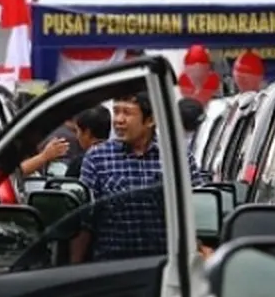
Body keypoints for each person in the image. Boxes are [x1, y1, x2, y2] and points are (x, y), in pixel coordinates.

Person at [71, 92, 205, 263]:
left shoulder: (176, 155)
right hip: (113, 267)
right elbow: (84, 220)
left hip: (166, 267)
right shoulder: (97, 157)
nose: (118, 120)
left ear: (150, 120)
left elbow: (197, 209)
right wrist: (75, 266)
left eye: (127, 113)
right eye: (116, 112)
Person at [65, 105, 111, 177]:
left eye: (77, 131)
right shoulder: (120, 158)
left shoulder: (81, 162)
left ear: (87, 133)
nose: (77, 136)